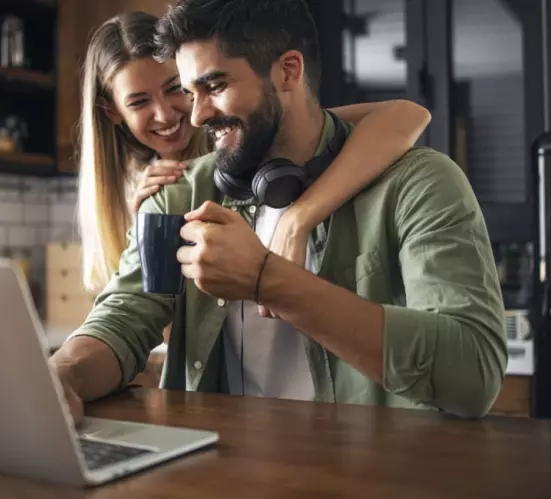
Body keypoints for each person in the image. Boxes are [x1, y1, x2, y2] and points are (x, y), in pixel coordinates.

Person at [54, 0, 507, 421]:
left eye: (214, 86)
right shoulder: (178, 193)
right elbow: (123, 318)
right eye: (192, 92)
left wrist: (268, 281)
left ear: (289, 71)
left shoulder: (418, 183)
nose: (194, 117)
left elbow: (473, 377)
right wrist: (61, 376)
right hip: (220, 481)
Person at [77, 11, 432, 295]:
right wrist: (148, 240)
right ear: (112, 111)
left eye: (176, 89)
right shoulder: (136, 191)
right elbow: (169, 334)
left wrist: (299, 219)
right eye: (139, 102)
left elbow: (408, 114)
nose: (167, 114)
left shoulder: (252, 134)